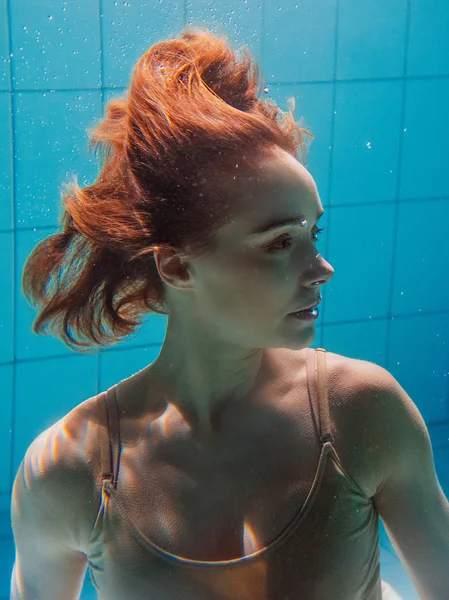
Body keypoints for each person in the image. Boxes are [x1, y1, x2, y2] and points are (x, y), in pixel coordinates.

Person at [10, 26, 449, 600]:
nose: (323, 269)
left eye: (312, 234)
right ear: (177, 268)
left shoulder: (362, 413)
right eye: (278, 243)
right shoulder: (68, 470)